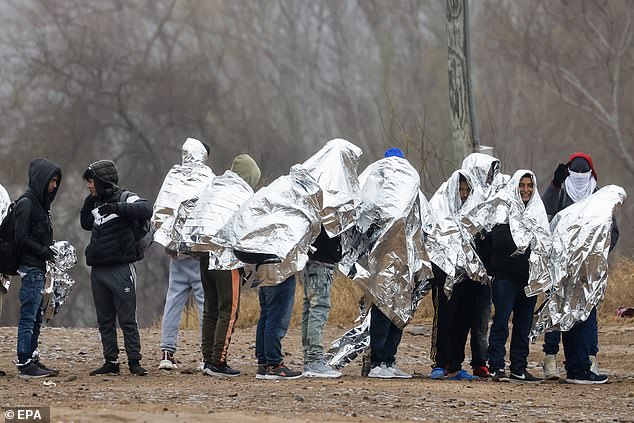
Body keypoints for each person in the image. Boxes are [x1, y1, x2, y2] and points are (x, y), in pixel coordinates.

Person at [541, 152, 617, 384]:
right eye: (577, 172)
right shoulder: (562, 192)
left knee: (585, 316)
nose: (581, 177)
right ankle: (552, 358)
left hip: (588, 272)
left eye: (585, 173)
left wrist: (597, 254)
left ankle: (583, 363)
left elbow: (612, 231)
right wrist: (554, 185)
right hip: (561, 269)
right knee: (556, 311)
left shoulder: (598, 197)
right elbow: (546, 215)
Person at [80, 160, 152, 376]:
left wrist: (118, 209)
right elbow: (84, 223)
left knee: (127, 318)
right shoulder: (93, 201)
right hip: (99, 269)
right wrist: (89, 202)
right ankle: (110, 361)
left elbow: (146, 208)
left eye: (90, 182)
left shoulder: (125, 197)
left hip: (122, 269)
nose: (88, 186)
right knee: (105, 319)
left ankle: (134, 361)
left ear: (102, 181)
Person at [201, 154, 261, 377]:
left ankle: (207, 358)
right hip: (227, 260)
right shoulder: (243, 194)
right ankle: (218, 361)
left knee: (211, 307)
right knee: (229, 310)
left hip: (205, 254)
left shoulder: (215, 186)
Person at [157, 140, 212, 370]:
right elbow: (212, 211)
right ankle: (205, 356)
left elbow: (162, 209)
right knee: (204, 305)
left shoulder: (173, 175)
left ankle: (167, 354)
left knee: (173, 303)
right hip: (199, 253)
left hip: (176, 253)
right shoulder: (209, 178)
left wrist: (167, 243)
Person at [487, 171, 544, 383]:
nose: (526, 189)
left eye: (530, 185)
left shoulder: (538, 209)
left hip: (529, 278)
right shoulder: (505, 207)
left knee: (524, 325)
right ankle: (496, 366)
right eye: (522, 185)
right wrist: (525, 247)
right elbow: (500, 240)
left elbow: (543, 242)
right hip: (506, 277)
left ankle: (519, 367)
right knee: (501, 321)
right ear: (515, 186)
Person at [428, 172, 485, 381]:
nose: (463, 194)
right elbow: (432, 238)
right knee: (445, 319)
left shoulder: (475, 209)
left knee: (464, 321)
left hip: (470, 276)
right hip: (446, 274)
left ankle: (456, 364)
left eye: (467, 190)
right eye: (460, 190)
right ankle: (441, 363)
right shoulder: (440, 207)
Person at [15, 158, 62, 379]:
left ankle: (31, 358)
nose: (54, 186)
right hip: (31, 269)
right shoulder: (27, 204)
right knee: (28, 317)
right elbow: (21, 238)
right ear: (42, 180)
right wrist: (45, 252)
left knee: (35, 317)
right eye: (51, 181)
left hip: (38, 269)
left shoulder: (40, 205)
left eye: (56, 181)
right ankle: (25, 363)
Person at [301, 226, 343, 378]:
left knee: (309, 309)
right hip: (322, 264)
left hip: (312, 262)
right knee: (318, 309)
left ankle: (310, 358)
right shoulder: (328, 209)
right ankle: (314, 360)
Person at [255, 274, 302, 380]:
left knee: (265, 317)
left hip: (264, 273)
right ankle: (274, 364)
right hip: (282, 273)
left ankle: (264, 364)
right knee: (276, 319)